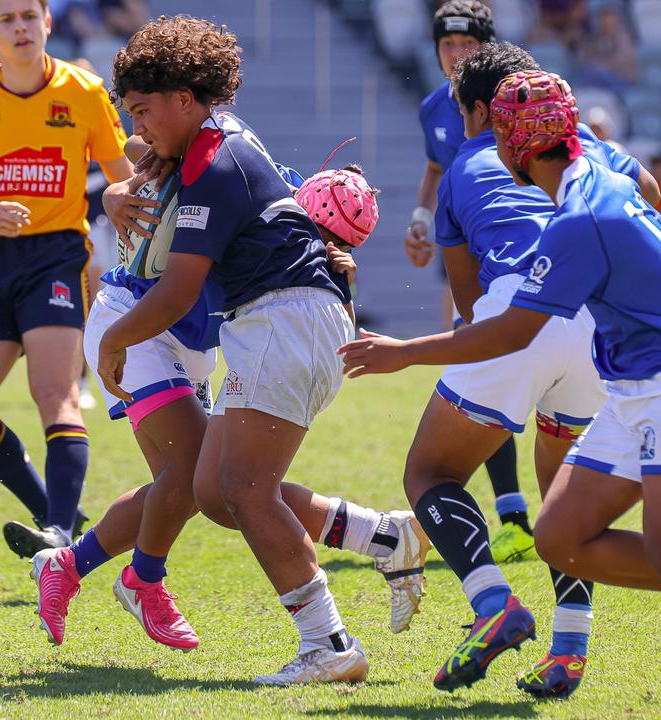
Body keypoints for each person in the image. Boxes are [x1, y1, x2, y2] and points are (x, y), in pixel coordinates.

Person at [340, 69, 661, 720]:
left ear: (519, 148)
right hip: (639, 387)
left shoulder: (580, 217)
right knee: (559, 536)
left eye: (499, 139)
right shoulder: (600, 183)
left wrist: (402, 353)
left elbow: (514, 331)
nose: (496, 153)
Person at [346, 41, 659, 700]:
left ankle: (494, 605)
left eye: (464, 113)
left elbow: (467, 301)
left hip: (522, 312)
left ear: (485, 111)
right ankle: (568, 650)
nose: (462, 127)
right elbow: (649, 191)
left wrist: (463, 369)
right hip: (600, 322)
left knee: (430, 473)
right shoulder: (580, 145)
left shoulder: (468, 160)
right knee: (565, 496)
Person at [34, 157, 429, 655]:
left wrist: (341, 279)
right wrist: (117, 191)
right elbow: (149, 144)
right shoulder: (266, 182)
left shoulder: (309, 238)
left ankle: (68, 567)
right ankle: (143, 581)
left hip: (195, 343)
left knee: (203, 485)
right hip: (134, 322)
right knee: (203, 477)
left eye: (339, 246)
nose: (321, 247)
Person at [95, 15, 367, 684]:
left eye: (144, 111)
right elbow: (142, 157)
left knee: (242, 488)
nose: (139, 127)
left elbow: (179, 290)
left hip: (285, 319)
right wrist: (117, 184)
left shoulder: (215, 162)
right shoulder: (207, 143)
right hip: (281, 320)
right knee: (215, 490)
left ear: (186, 97)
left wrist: (112, 343)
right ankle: (381, 543)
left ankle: (328, 645)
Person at [0, 0, 135, 552]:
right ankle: (56, 514)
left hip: (56, 256)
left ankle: (55, 530)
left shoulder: (82, 89)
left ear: (48, 23)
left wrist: (128, 204)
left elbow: (122, 172)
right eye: (7, 20)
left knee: (55, 392)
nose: (21, 27)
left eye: (30, 15)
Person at [403, 0, 538, 565]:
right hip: (472, 247)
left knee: (486, 374)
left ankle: (519, 525)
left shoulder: (527, 105)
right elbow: (437, 168)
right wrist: (420, 216)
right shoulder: (437, 109)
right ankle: (514, 518)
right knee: (487, 377)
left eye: (465, 47)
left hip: (517, 264)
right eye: (445, 47)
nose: (455, 56)